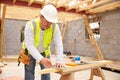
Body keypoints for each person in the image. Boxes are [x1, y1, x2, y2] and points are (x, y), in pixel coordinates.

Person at [22, 4, 65, 80]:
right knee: (29, 72)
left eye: (51, 21)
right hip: (30, 52)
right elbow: (30, 45)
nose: (49, 24)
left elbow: (58, 44)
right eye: (47, 21)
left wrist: (59, 60)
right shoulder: (30, 25)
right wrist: (41, 59)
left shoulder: (55, 27)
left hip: (44, 52)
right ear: (41, 17)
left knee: (46, 73)